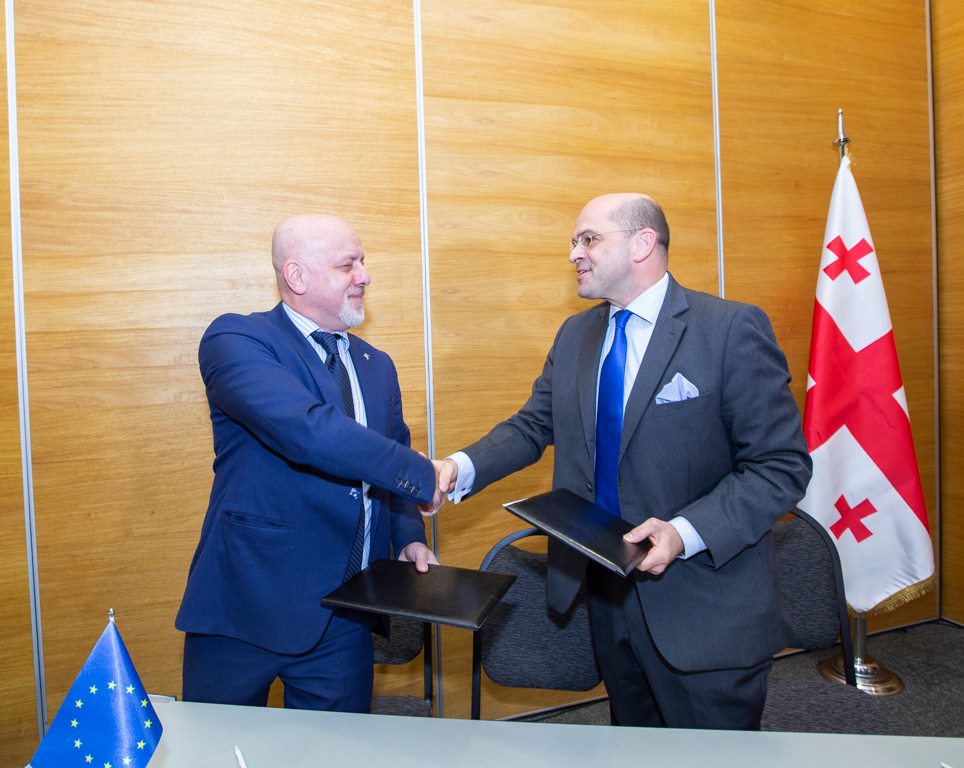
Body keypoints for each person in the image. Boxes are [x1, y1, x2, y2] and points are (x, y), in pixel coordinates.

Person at [435, 193, 812, 729]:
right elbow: (532, 426)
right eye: (573, 241)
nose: (574, 253)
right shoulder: (576, 335)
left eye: (588, 239)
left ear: (642, 243)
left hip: (704, 606)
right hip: (608, 598)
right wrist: (457, 468)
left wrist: (683, 533)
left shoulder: (728, 329)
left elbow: (780, 466)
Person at [176, 214, 441, 713]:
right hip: (244, 605)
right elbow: (309, 431)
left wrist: (407, 536)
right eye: (347, 265)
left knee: (334, 748)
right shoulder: (238, 340)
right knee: (217, 746)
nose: (364, 275)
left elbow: (390, 458)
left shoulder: (377, 365)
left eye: (362, 261)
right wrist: (426, 475)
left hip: (344, 614)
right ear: (296, 275)